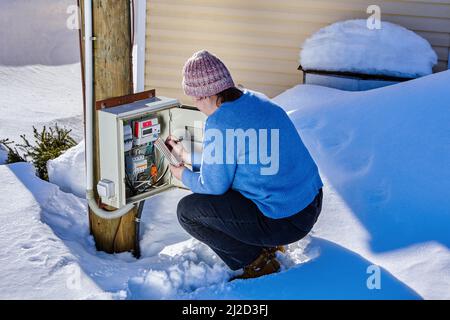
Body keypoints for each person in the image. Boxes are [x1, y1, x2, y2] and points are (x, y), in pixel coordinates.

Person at [167, 50, 323, 280]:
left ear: (203, 96)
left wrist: (183, 174)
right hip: (310, 204)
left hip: (285, 221)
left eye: (194, 98)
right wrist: (190, 158)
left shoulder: (220, 122)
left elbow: (213, 186)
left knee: (188, 212)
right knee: (233, 194)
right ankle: (267, 244)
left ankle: (257, 263)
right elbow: (233, 159)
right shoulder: (255, 99)